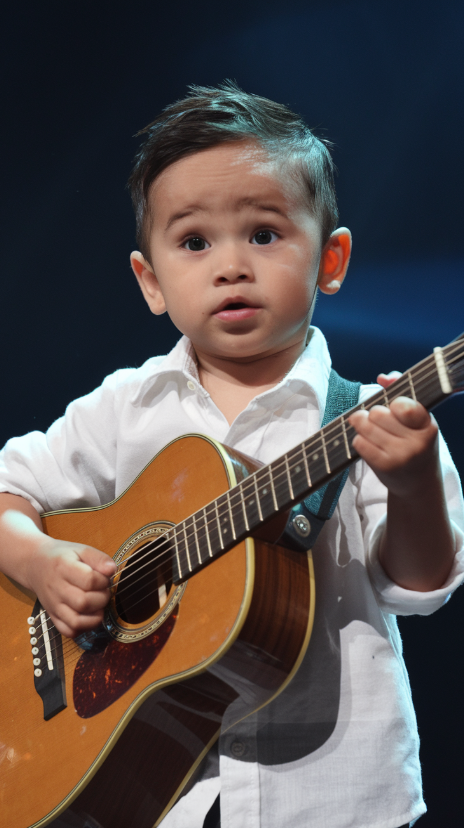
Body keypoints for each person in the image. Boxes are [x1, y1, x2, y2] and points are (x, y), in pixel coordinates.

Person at [0, 83, 463, 828]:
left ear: (331, 259)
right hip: (164, 801)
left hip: (334, 797)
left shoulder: (372, 416)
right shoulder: (127, 404)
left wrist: (410, 483)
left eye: (265, 234)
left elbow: (421, 585)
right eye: (193, 243)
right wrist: (38, 563)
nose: (231, 266)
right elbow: (7, 492)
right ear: (150, 281)